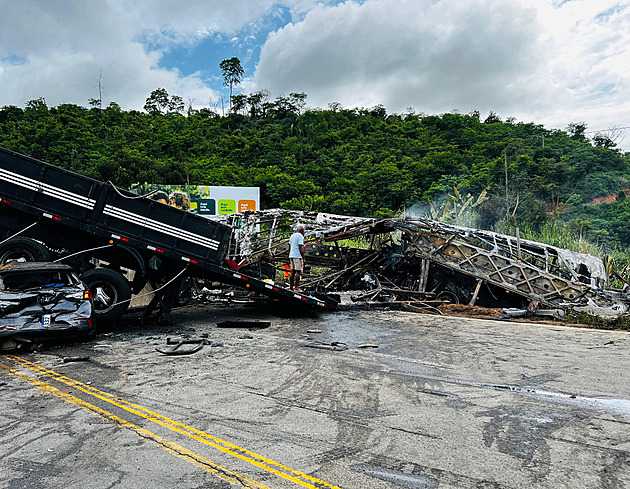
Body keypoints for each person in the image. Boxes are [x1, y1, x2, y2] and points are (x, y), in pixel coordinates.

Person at [288, 225, 305, 291]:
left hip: (291, 255)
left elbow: (289, 246)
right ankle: (296, 288)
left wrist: (289, 254)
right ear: (302, 231)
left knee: (292, 271)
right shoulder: (300, 236)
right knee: (298, 272)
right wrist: (303, 257)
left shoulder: (292, 236)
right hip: (297, 256)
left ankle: (291, 287)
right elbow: (300, 247)